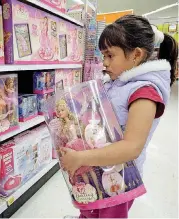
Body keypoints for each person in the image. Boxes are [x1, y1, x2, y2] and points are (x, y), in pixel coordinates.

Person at [60, 15, 178, 218]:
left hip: (119, 177)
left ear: (136, 55)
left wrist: (80, 158)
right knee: (90, 210)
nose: (104, 63)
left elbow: (131, 147)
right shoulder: (116, 81)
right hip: (99, 165)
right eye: (102, 56)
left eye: (110, 56)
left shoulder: (144, 92)